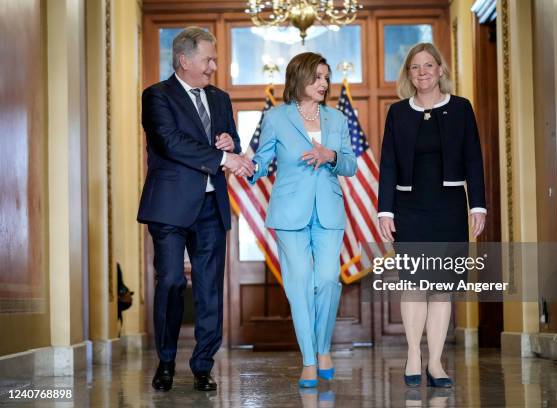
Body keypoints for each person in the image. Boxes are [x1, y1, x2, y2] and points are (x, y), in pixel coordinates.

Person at [137, 27, 254, 392]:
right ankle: (167, 361)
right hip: (170, 207)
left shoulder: (220, 98)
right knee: (171, 281)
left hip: (210, 206)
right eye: (208, 59)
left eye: (214, 59)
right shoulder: (157, 96)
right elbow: (170, 143)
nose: (213, 67)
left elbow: (227, 135)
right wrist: (223, 156)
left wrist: (228, 141)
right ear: (184, 60)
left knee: (208, 290)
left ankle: (203, 364)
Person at [377, 42, 486, 388]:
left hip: (449, 208)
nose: (422, 72)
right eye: (415, 67)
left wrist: (477, 205)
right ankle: (413, 353)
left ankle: (436, 363)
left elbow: (473, 159)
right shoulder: (397, 113)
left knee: (442, 288)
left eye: (428, 66)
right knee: (413, 285)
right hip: (409, 209)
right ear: (408, 74)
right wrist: (385, 210)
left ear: (441, 70)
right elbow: (389, 164)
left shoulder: (461, 108)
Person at [248, 52, 357, 388]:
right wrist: (247, 166)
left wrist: (331, 156)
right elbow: (263, 160)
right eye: (318, 77)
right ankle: (310, 360)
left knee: (326, 280)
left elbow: (350, 165)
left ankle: (323, 347)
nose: (324, 83)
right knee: (299, 285)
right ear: (299, 78)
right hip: (289, 212)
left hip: (329, 209)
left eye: (326, 77)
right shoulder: (277, 117)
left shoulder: (336, 119)